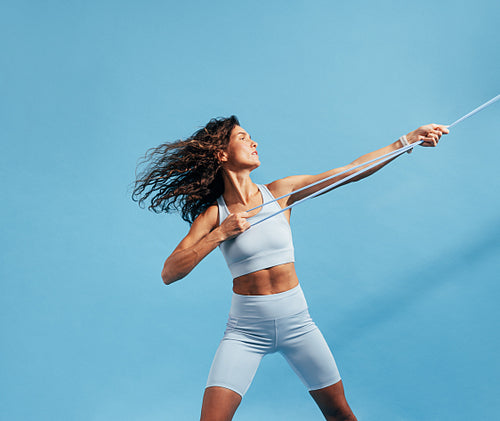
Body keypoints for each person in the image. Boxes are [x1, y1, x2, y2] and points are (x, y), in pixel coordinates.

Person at [132, 116, 448, 421]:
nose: (253, 141)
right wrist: (220, 234)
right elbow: (169, 272)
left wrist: (407, 140)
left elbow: (350, 171)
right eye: (242, 138)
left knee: (340, 414)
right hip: (245, 333)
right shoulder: (214, 216)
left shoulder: (280, 192)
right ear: (222, 153)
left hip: (298, 324)